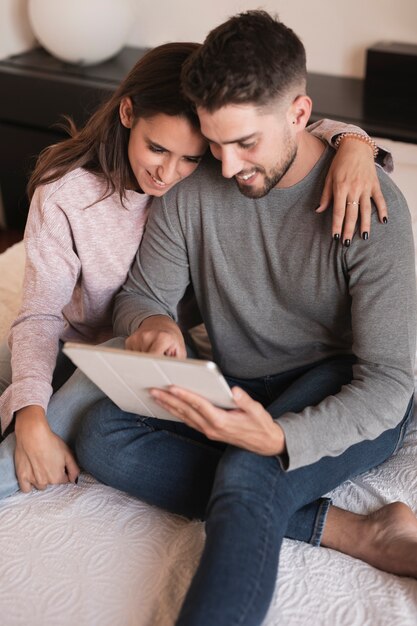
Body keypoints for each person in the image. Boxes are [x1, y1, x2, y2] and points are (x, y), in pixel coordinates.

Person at [74, 11, 417, 626]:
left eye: (245, 144)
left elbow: (391, 382)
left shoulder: (372, 204)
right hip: (237, 381)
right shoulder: (192, 187)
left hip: (338, 385)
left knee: (248, 468)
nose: (227, 167)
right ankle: (356, 531)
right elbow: (142, 295)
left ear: (299, 113)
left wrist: (282, 440)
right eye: (215, 142)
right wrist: (157, 325)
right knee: (102, 435)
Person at [0, 40, 388, 501]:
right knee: (21, 380)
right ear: (127, 113)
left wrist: (355, 143)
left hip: (154, 356)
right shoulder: (65, 195)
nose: (167, 174)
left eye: (190, 158)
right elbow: (40, 315)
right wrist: (28, 410)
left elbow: (281, 133)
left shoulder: (213, 180)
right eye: (157, 148)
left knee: (70, 401)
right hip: (74, 347)